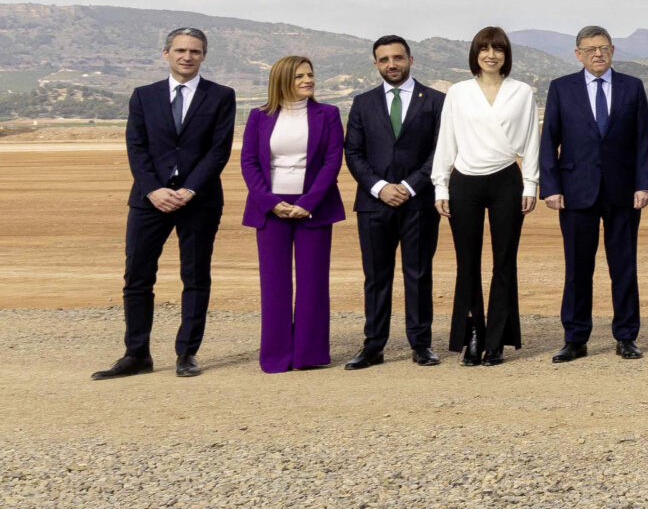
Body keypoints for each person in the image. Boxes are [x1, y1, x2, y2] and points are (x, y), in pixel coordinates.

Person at [97, 26, 236, 380]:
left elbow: (218, 150)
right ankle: (136, 353)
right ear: (166, 53)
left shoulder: (221, 96)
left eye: (195, 51)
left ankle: (186, 354)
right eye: (180, 50)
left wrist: (189, 190)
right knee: (138, 277)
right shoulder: (144, 96)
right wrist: (153, 190)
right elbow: (136, 147)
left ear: (203, 56)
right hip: (149, 200)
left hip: (199, 200)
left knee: (195, 276)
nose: (187, 56)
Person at [542, 26, 648, 361]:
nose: (597, 54)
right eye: (590, 49)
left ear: (612, 51)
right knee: (577, 268)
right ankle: (575, 338)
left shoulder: (631, 87)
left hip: (623, 192)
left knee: (623, 265)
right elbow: (549, 140)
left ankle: (626, 336)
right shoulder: (561, 88)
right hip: (576, 192)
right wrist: (551, 188)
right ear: (578, 53)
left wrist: (644, 183)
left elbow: (643, 141)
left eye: (603, 48)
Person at [432, 26, 540, 365]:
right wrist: (440, 183)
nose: (491, 55)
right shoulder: (459, 93)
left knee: (504, 262)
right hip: (464, 181)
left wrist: (531, 183)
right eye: (484, 48)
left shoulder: (521, 92)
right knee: (468, 264)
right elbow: (446, 139)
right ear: (475, 54)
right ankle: (474, 334)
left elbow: (531, 141)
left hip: (507, 180)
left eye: (498, 49)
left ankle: (496, 340)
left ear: (506, 55)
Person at [238, 55, 345, 373]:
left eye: (310, 75)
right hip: (271, 209)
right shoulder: (259, 117)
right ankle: (276, 357)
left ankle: (309, 355)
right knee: (274, 284)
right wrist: (269, 201)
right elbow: (249, 162)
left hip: (313, 207)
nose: (308, 80)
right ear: (283, 80)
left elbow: (332, 160)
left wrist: (309, 202)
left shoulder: (329, 114)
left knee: (313, 282)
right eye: (299, 76)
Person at [343, 35, 444, 369]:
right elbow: (353, 153)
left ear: (410, 60)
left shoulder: (434, 100)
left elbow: (441, 150)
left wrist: (411, 186)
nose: (392, 65)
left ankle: (421, 344)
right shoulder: (362, 102)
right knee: (376, 277)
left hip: (419, 203)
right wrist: (380, 187)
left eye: (398, 58)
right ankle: (373, 345)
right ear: (375, 64)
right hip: (374, 205)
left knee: (418, 274)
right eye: (384, 59)